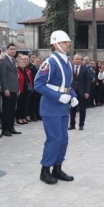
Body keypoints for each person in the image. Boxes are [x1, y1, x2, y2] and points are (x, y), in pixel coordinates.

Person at [34, 30, 78, 185]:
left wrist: (73, 96)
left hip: (62, 107)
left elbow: (66, 85)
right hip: (51, 106)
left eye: (68, 42)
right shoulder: (50, 62)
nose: (68, 44)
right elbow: (38, 84)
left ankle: (57, 168)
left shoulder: (67, 61)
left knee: (63, 139)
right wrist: (58, 96)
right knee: (54, 139)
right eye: (65, 42)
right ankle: (45, 170)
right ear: (56, 44)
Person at [0, 43, 21, 136]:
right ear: (7, 50)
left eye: (14, 49)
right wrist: (5, 88)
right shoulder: (3, 60)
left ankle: (11, 128)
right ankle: (5, 129)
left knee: (12, 110)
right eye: (11, 49)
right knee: (6, 110)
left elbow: (15, 75)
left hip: (14, 88)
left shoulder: (13, 60)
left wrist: (18, 88)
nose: (13, 51)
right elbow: (2, 76)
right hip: (7, 89)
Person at [69, 54, 91, 131]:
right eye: (77, 59)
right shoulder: (70, 68)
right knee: (72, 108)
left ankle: (81, 124)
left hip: (82, 92)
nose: (78, 60)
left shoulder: (85, 69)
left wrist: (87, 92)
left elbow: (88, 81)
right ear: (73, 60)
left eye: (80, 59)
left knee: (82, 109)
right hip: (72, 91)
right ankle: (72, 124)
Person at [15, 55, 32, 125]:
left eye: (24, 62)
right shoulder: (17, 70)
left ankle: (23, 117)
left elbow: (29, 80)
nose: (23, 63)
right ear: (18, 63)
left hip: (26, 90)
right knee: (19, 104)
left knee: (25, 104)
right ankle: (19, 118)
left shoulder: (27, 70)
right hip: (20, 90)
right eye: (21, 62)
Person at [29, 57, 43, 121]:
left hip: (39, 88)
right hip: (34, 88)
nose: (38, 62)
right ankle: (33, 115)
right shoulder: (31, 69)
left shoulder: (41, 69)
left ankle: (38, 115)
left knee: (38, 102)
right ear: (34, 62)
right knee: (33, 103)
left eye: (39, 61)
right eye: (36, 61)